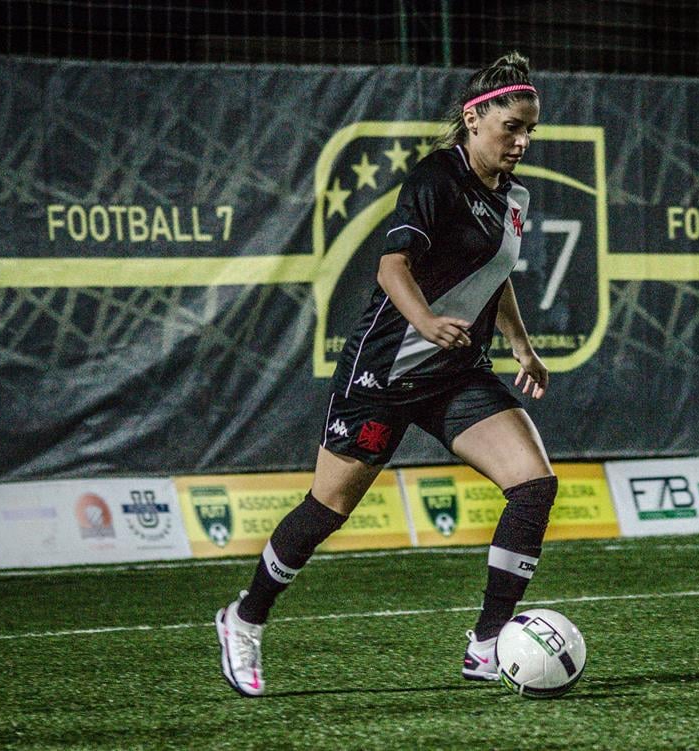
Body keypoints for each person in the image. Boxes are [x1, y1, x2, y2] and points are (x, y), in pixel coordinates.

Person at [215, 52, 554, 696]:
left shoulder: (514, 198)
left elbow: (496, 275)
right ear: (474, 119)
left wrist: (522, 345)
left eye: (529, 130)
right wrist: (425, 321)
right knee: (328, 508)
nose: (521, 141)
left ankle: (486, 644)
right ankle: (245, 618)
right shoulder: (436, 179)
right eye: (511, 127)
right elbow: (391, 267)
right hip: (386, 373)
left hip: (455, 371)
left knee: (533, 485)